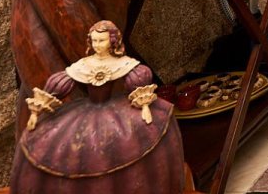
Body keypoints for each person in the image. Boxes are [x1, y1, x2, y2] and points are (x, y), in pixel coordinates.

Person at [13, 20, 185, 193]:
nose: (97, 45)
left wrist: (145, 106)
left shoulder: (124, 63)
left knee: (128, 143)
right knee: (69, 148)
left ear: (112, 41)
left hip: (119, 113)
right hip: (84, 113)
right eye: (94, 41)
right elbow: (59, 85)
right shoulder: (84, 64)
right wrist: (36, 112)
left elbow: (138, 84)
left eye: (101, 40)